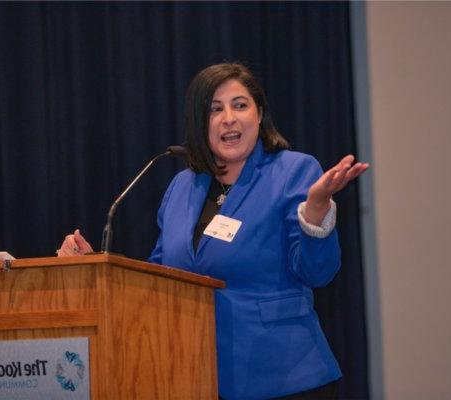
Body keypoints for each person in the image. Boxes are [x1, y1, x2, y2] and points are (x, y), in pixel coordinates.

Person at [57, 63, 369, 399]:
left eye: (240, 105)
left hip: (282, 374)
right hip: (194, 375)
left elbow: (317, 272)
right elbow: (158, 280)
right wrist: (96, 266)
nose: (229, 118)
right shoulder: (181, 187)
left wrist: (317, 211)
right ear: (198, 123)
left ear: (259, 114)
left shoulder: (292, 170)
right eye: (214, 109)